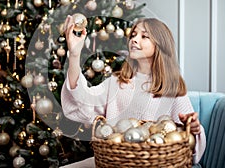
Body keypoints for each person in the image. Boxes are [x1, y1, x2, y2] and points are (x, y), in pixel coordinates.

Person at [60, 15, 206, 167]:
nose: (134, 40)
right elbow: (82, 101)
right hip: (114, 162)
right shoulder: (116, 83)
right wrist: (75, 54)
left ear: (160, 45)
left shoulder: (171, 89)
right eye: (134, 35)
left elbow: (187, 142)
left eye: (144, 36)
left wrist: (194, 128)